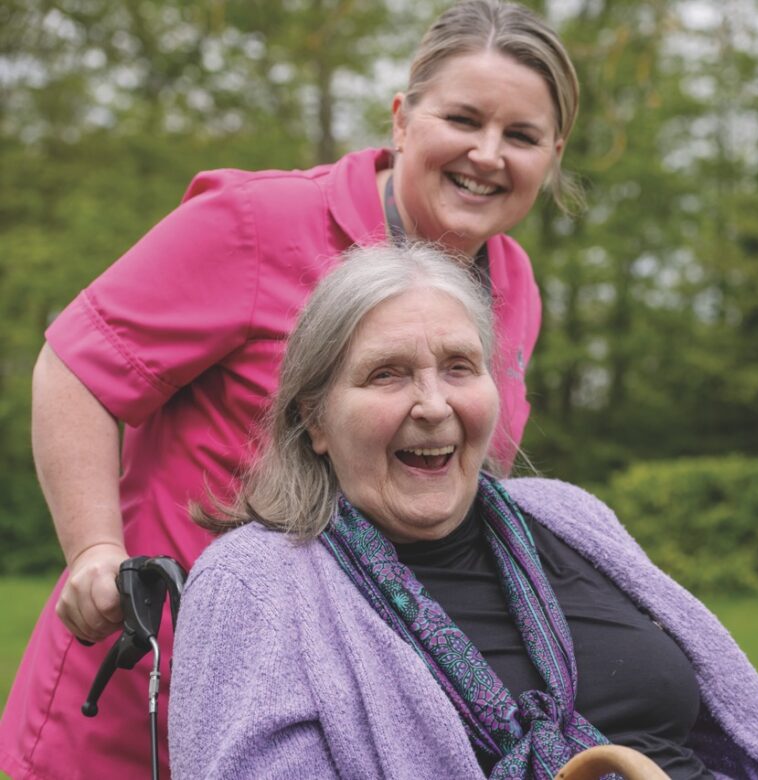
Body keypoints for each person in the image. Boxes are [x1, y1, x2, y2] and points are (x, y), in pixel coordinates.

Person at [0, 2, 580, 777]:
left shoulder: (514, 286)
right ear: (403, 118)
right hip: (145, 696)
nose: (486, 154)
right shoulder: (255, 224)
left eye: (521, 136)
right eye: (463, 118)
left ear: (554, 153)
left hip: (339, 722)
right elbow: (77, 368)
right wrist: (95, 551)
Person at [167, 242, 758, 780]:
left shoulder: (569, 515)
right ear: (315, 420)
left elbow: (733, 726)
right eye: (387, 374)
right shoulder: (253, 582)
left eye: (458, 367)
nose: (432, 404)